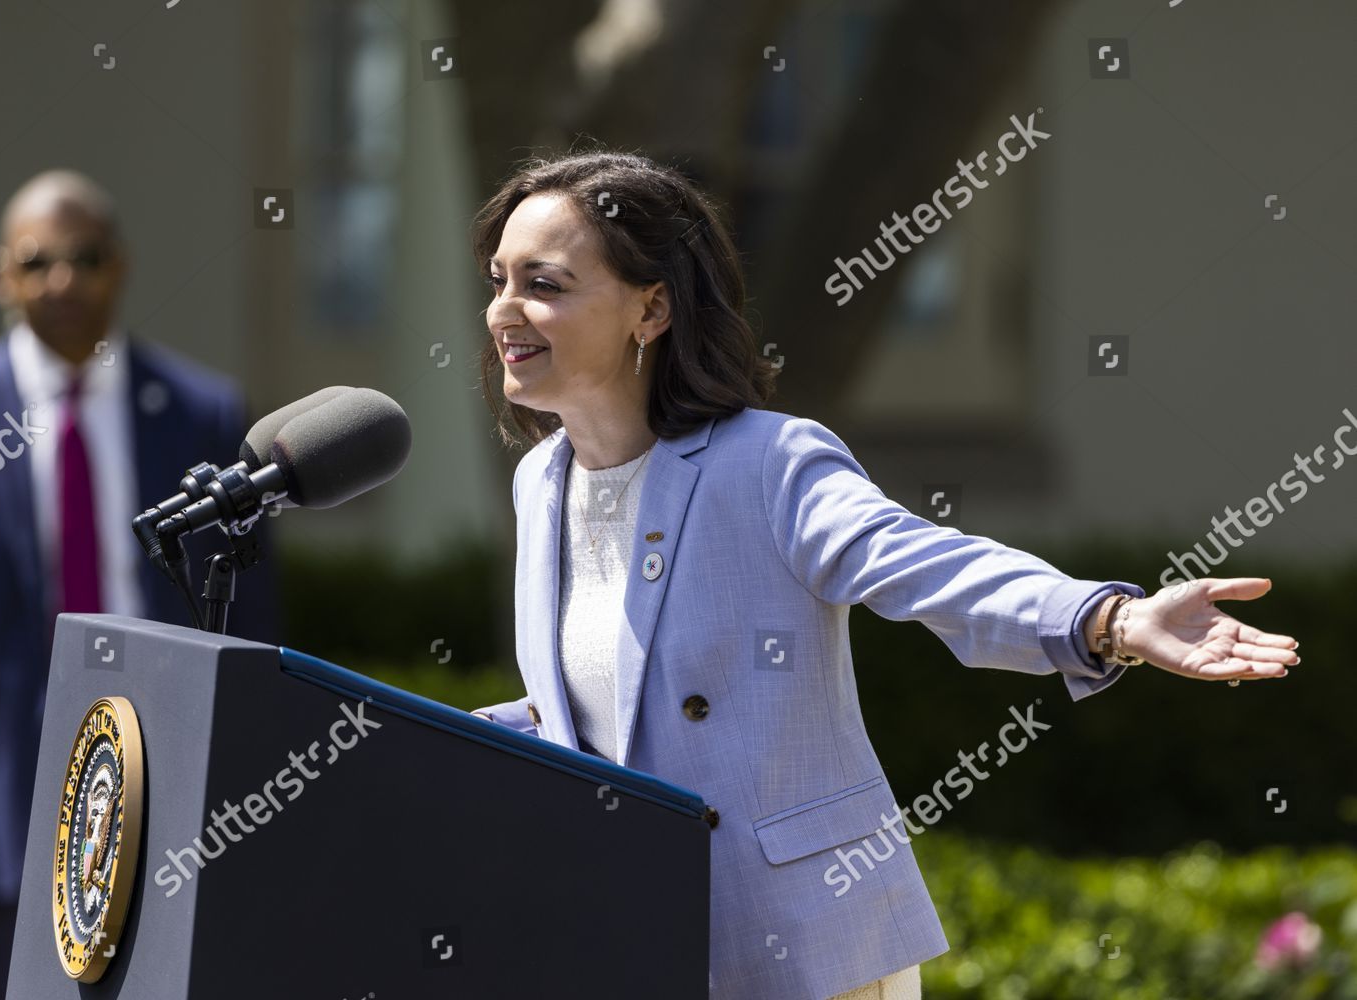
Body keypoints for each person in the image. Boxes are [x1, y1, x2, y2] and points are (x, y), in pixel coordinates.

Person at [466, 151, 1299, 1000]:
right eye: (498, 278)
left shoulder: (766, 462)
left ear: (652, 307)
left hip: (803, 940)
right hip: (639, 942)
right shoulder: (542, 483)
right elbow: (607, 710)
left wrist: (1108, 621)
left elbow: (923, 562)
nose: (504, 310)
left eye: (546, 283)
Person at [0, 169, 279, 1000]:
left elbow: (257, 625)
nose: (62, 280)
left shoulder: (202, 413)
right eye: (37, 260)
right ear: (2, 277)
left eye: (84, 258)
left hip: (169, 802)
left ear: (118, 267)